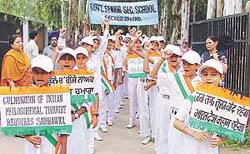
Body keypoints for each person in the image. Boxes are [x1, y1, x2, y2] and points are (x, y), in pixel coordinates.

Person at [174, 59, 226, 154]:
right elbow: (176, 122)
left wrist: (221, 139)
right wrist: (194, 133)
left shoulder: (225, 102)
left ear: (221, 77)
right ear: (201, 76)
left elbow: (228, 128)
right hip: (190, 146)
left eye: (213, 74)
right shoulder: (194, 96)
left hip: (209, 148)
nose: (208, 78)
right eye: (205, 74)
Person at [24, 54, 68, 154]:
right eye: (36, 72)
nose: (39, 76)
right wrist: (27, 136)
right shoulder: (25, 93)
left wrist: (64, 148)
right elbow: (19, 120)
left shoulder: (59, 93)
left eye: (44, 73)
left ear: (51, 74)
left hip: (51, 141)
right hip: (32, 143)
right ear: (31, 73)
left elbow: (64, 124)